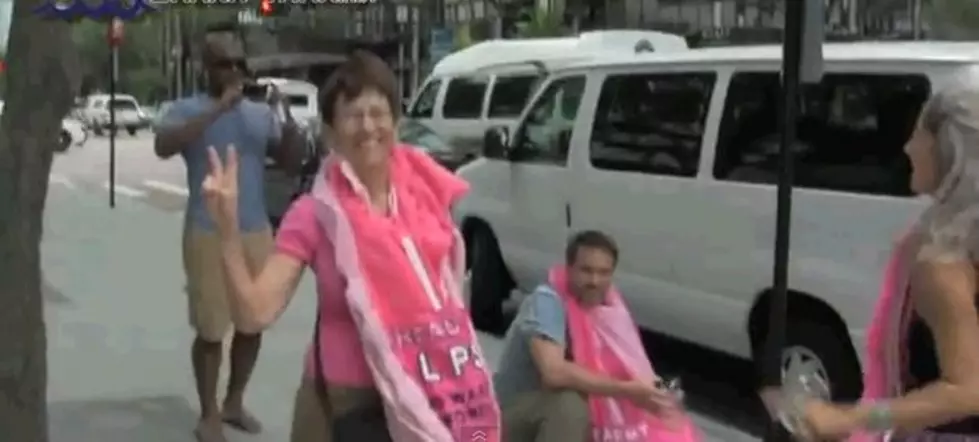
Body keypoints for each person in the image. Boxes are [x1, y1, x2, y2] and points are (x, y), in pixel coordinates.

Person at [199, 50, 501, 441]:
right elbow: (254, 314)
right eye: (353, 114)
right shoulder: (314, 214)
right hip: (344, 408)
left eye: (378, 112)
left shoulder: (426, 198)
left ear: (397, 121)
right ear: (330, 133)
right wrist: (227, 228)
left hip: (429, 395)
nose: (368, 126)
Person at [772, 68, 979, 441]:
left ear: (949, 148)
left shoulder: (944, 260)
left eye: (919, 133)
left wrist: (851, 418)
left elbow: (967, 391)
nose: (907, 147)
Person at [153, 24, 304, 442]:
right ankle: (208, 414)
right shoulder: (186, 108)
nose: (235, 70)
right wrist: (219, 108)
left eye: (240, 63)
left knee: (252, 323)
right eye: (225, 64)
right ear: (206, 67)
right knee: (210, 329)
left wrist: (286, 120)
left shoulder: (257, 113)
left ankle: (234, 401)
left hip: (255, 231)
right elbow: (163, 145)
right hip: (206, 231)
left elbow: (290, 161)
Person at [494, 230, 701, 442]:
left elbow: (627, 370)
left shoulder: (609, 309)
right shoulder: (548, 301)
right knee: (571, 404)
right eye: (586, 270)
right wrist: (627, 390)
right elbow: (553, 372)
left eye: (604, 273)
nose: (594, 280)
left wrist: (656, 393)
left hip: (556, 422)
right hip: (506, 419)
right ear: (569, 268)